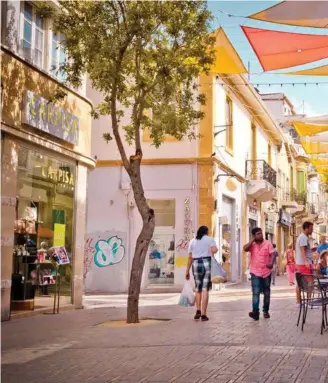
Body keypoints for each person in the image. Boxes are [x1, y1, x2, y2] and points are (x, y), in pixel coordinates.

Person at [185, 226, 218, 321]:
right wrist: (212, 248)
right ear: (206, 232)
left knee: (197, 288)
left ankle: (198, 310)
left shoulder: (193, 241)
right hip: (207, 262)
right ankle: (204, 314)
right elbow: (214, 250)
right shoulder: (210, 239)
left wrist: (187, 271)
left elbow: (190, 257)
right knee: (205, 289)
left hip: (196, 263)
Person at [243, 227, 275, 321]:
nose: (261, 235)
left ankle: (265, 311)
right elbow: (245, 248)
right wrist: (252, 240)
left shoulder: (268, 243)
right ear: (254, 235)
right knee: (255, 293)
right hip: (255, 272)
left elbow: (273, 254)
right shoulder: (251, 245)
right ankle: (255, 313)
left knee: (266, 292)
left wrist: (271, 263)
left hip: (266, 272)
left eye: (261, 233)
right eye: (258, 234)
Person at [295, 221, 314, 305]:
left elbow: (304, 250)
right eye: (311, 228)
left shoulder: (301, 237)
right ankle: (309, 302)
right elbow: (302, 250)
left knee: (299, 283)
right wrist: (306, 261)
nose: (312, 230)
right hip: (304, 264)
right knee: (310, 282)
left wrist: (311, 251)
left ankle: (299, 302)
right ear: (306, 228)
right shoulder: (304, 237)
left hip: (301, 263)